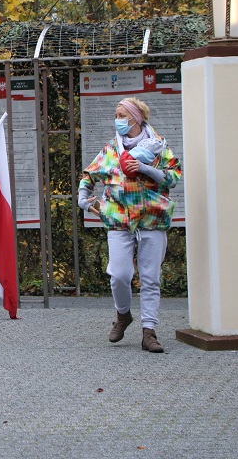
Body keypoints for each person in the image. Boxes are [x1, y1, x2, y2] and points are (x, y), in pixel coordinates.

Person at [78, 97, 182, 353]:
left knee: (150, 278)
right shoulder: (111, 149)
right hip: (118, 219)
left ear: (138, 117)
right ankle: (123, 315)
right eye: (117, 115)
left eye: (123, 115)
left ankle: (149, 332)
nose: (119, 119)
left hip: (152, 219)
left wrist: (147, 169)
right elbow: (89, 175)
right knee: (120, 275)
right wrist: (82, 199)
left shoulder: (159, 146)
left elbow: (174, 177)